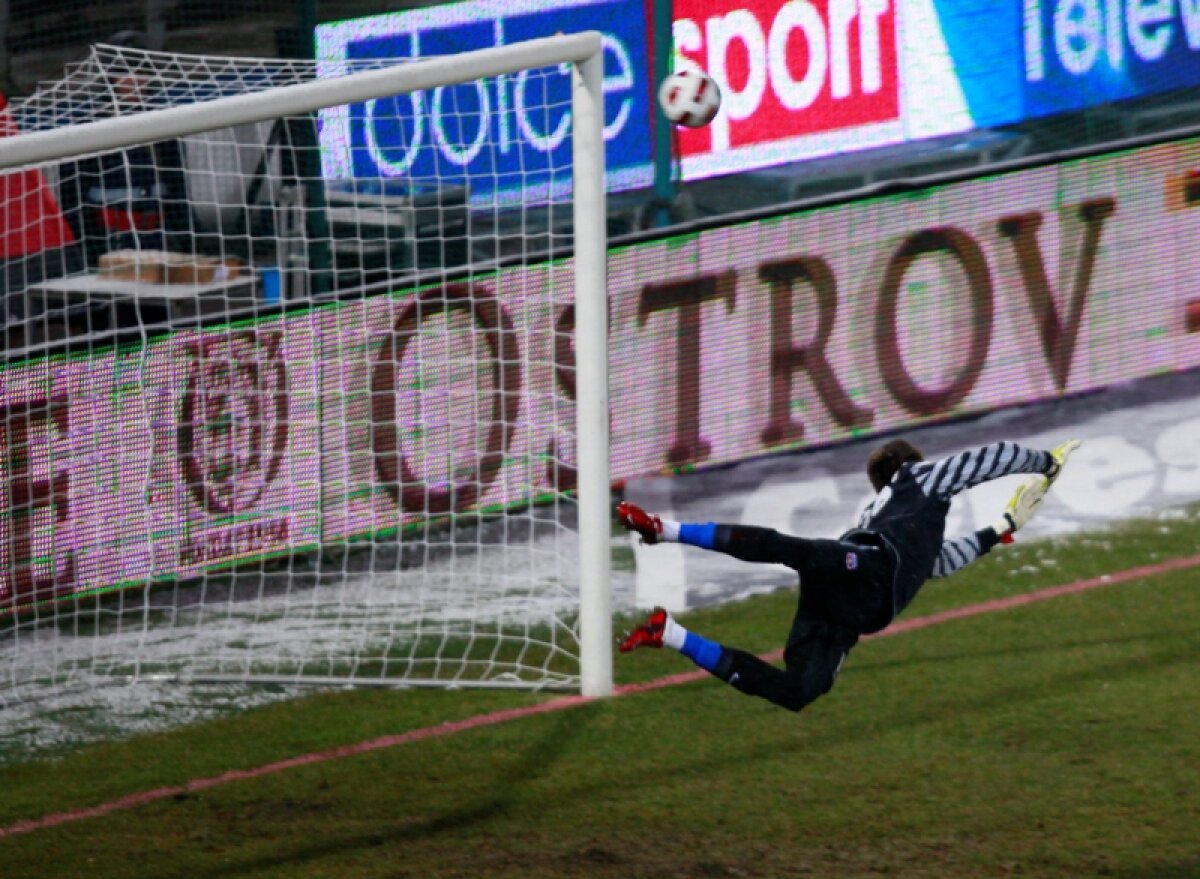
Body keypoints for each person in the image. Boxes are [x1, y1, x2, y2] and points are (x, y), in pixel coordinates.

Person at [616, 438, 1081, 713]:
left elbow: (936, 562)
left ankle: (670, 633)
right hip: (867, 572)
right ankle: (664, 529)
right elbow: (986, 459)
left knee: (799, 689)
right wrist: (1045, 464)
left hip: (846, 596)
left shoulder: (894, 516)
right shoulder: (919, 478)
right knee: (789, 551)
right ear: (906, 465)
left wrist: (1003, 527)